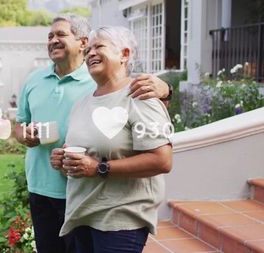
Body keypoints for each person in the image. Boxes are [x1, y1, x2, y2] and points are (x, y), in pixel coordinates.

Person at [15, 14, 172, 253]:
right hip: (82, 212)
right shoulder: (84, 102)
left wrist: (167, 90)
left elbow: (162, 158)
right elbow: (76, 146)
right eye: (89, 50)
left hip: (120, 219)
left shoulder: (139, 94)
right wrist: (62, 158)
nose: (91, 54)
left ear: (125, 55)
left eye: (98, 47)